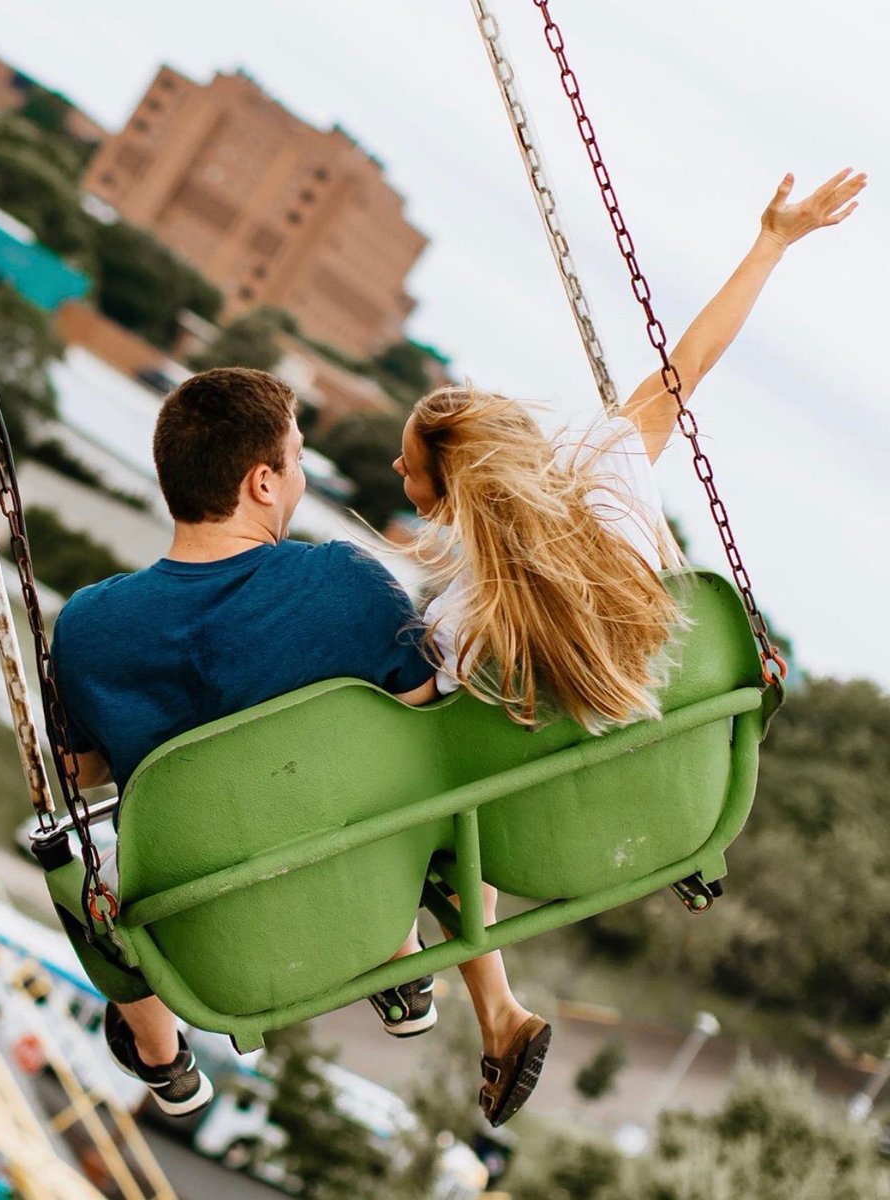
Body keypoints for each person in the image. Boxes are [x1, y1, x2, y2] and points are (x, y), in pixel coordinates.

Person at [51, 366, 544, 1126]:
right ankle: (398, 961)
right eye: (299, 456)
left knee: (81, 871)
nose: (303, 474)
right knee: (426, 782)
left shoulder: (87, 627)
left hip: (204, 944)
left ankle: (161, 1056)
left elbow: (79, 775)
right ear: (261, 483)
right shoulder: (343, 583)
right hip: (350, 892)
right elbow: (421, 735)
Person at [394, 169, 866, 729]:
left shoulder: (460, 625)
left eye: (411, 464)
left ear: (459, 486)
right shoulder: (608, 496)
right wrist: (773, 242)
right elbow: (688, 366)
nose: (398, 465)